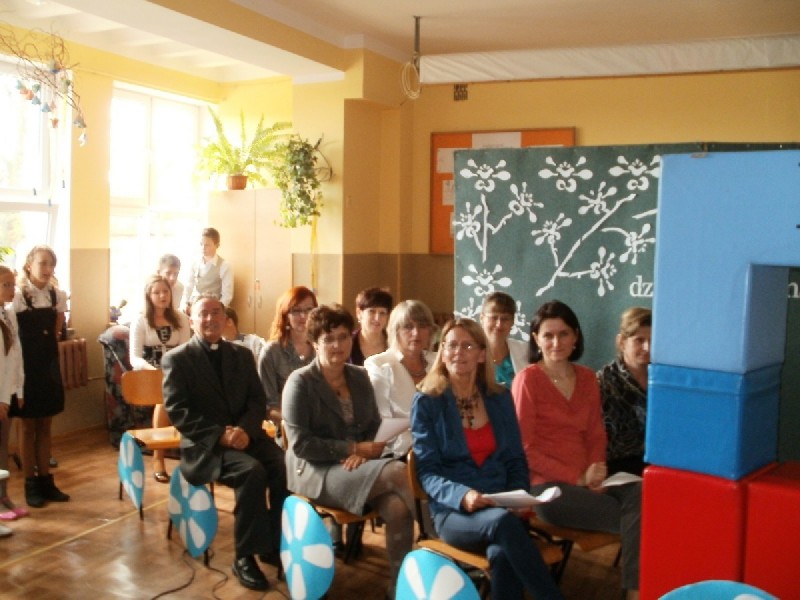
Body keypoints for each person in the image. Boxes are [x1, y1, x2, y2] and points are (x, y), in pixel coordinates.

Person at [411, 318, 564, 600]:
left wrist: (518, 497)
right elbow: (428, 472)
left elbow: (516, 459)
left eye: (467, 346)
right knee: (502, 525)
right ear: (442, 353)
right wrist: (463, 495)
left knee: (502, 553)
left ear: (482, 354)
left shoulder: (499, 397)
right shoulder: (427, 402)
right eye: (451, 345)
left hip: (502, 505)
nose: (458, 352)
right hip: (454, 512)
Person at [512, 300, 641, 600]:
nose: (556, 343)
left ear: (576, 337)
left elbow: (596, 432)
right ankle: (636, 593)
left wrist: (596, 470)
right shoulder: (527, 381)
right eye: (548, 335)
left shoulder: (586, 378)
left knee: (642, 493)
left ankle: (635, 591)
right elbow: (524, 449)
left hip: (590, 480)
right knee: (642, 520)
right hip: (548, 489)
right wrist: (577, 477)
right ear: (536, 339)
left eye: (564, 334)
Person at [282, 304, 414, 598]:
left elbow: (373, 425)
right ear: (315, 342)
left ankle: (400, 587)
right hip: (316, 470)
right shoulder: (299, 382)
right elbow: (300, 443)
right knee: (397, 471)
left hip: (357, 466)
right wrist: (351, 448)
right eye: (328, 339)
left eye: (343, 337)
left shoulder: (359, 376)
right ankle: (441, 541)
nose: (337, 345)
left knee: (397, 506)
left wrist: (364, 452)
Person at [162, 295, 288, 592]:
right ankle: (244, 556)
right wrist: (221, 435)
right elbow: (179, 411)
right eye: (203, 314)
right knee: (251, 471)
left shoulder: (242, 355)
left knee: (283, 464)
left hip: (246, 437)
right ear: (191, 320)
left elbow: (257, 400)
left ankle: (273, 543)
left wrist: (244, 430)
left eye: (216, 313)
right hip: (207, 447)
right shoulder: (177, 359)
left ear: (225, 318)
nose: (210, 319)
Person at [9, 246, 69, 508]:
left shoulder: (57, 295)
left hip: (48, 367)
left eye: (51, 264)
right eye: (42, 263)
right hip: (26, 368)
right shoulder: (18, 296)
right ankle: (30, 483)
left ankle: (46, 480)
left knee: (45, 425)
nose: (47, 269)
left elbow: (56, 332)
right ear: (29, 265)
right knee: (28, 427)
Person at [129, 274, 191, 483]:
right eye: (157, 292)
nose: (162, 296)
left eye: (165, 291)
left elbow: (186, 350)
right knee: (164, 397)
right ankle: (158, 458)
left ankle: (196, 457)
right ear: (148, 295)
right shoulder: (141, 321)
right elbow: (135, 357)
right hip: (149, 374)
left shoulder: (180, 318)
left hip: (176, 371)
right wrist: (154, 371)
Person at [364, 299, 436, 458]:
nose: (416, 333)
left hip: (443, 445)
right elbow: (383, 423)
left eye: (422, 326)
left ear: (430, 331)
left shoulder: (439, 362)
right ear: (395, 331)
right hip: (401, 451)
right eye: (408, 327)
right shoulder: (379, 364)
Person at [597, 307, 652, 477]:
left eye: (652, 340)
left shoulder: (664, 379)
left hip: (660, 464)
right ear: (622, 342)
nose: (647, 347)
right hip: (617, 469)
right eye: (639, 340)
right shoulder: (602, 382)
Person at [257, 286, 317, 425]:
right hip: (286, 425)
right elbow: (269, 406)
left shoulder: (321, 348)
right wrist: (296, 423)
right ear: (286, 315)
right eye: (296, 311)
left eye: (309, 309)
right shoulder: (272, 352)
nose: (303, 316)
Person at [0, 266, 26, 524]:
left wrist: (18, 389)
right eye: (5, 285)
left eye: (12, 284)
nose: (11, 289)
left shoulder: (8, 314)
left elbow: (15, 356)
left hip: (7, 391)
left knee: (3, 447)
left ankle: (3, 495)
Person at [479, 291, 529, 388]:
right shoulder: (470, 353)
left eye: (505, 319)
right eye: (494, 318)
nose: (499, 325)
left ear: (513, 321)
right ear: (482, 318)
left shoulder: (525, 351)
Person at [181, 227, 233, 312]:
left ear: (217, 245)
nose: (203, 247)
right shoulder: (194, 263)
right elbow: (188, 287)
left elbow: (227, 295)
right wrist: (185, 304)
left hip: (214, 307)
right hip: (196, 306)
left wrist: (217, 311)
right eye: (201, 244)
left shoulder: (224, 265)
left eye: (207, 245)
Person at [349, 287, 393, 366]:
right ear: (359, 313)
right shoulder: (348, 343)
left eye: (382, 313)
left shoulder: (394, 343)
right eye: (372, 311)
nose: (377, 318)